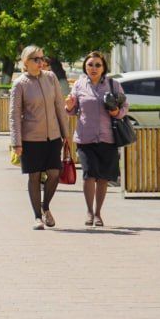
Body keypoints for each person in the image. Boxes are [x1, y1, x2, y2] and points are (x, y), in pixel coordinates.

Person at [9, 45, 75, 229]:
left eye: (42, 58)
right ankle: (37, 216)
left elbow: (59, 106)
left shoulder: (51, 78)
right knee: (34, 177)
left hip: (52, 137)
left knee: (55, 173)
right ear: (26, 62)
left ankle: (46, 207)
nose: (41, 62)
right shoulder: (20, 84)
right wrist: (16, 142)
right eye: (36, 59)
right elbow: (14, 115)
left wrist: (66, 133)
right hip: (31, 138)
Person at [64, 51, 129, 227]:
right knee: (88, 175)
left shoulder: (113, 84)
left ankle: (99, 213)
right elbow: (71, 110)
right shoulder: (79, 85)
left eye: (97, 65)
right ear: (85, 66)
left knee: (102, 178)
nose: (93, 68)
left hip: (107, 138)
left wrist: (117, 112)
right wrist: (69, 106)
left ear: (103, 67)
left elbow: (125, 107)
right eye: (90, 64)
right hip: (85, 137)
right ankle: (89, 212)